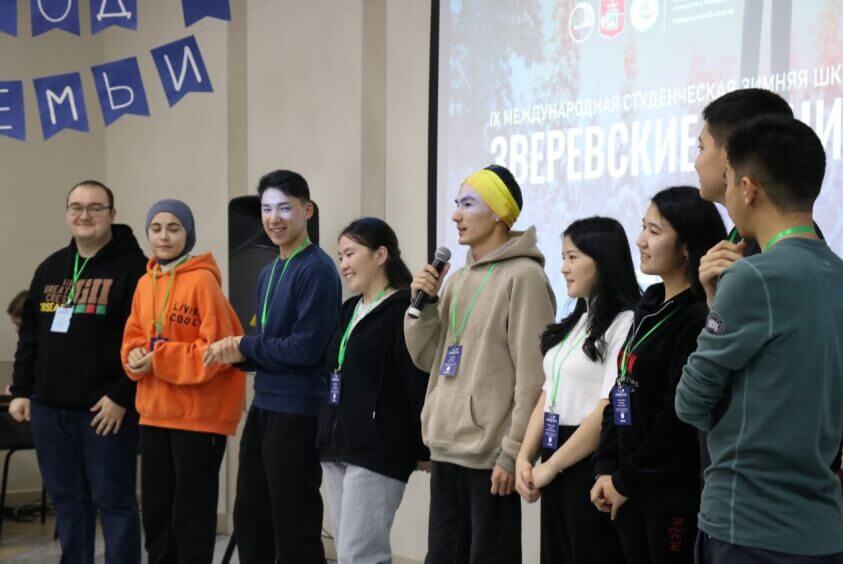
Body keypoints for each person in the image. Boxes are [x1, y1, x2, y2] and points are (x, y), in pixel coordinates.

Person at [676, 115, 843, 562]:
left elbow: (690, 402)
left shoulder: (753, 277)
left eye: (730, 179)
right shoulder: (836, 274)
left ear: (748, 189)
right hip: (823, 529)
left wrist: (719, 305)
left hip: (748, 526)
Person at [405, 164, 556, 563]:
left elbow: (533, 378)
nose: (456, 214)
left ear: (500, 213)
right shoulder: (455, 280)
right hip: (446, 449)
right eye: (457, 203)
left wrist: (514, 452)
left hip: (490, 457)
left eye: (468, 204)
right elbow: (429, 358)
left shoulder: (524, 277)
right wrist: (423, 306)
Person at [204, 170, 341, 564]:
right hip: (264, 405)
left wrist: (243, 345)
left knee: (293, 521)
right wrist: (236, 354)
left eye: (284, 208)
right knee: (251, 515)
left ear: (307, 210)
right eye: (267, 209)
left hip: (298, 411)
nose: (274, 218)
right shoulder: (268, 271)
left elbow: (305, 348)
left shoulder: (317, 269)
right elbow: (269, 343)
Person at [9, 180, 146, 563]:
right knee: (69, 503)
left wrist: (121, 396)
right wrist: (21, 390)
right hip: (49, 412)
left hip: (104, 413)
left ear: (112, 214)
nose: (84, 215)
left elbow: (147, 341)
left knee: (115, 503)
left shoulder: (135, 269)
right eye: (76, 207)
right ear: (67, 213)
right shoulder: (51, 268)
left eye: (95, 208)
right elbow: (31, 335)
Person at [590, 186, 726, 564]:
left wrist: (624, 479)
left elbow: (676, 418)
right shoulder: (649, 303)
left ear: (686, 247)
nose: (640, 240)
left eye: (654, 231)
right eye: (642, 227)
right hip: (627, 487)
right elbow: (622, 389)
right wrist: (606, 465)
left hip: (669, 493)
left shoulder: (698, 316)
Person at [121, 199, 246, 564]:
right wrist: (133, 357)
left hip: (198, 418)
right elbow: (132, 338)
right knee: (157, 516)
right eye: (156, 228)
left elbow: (215, 353)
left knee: (190, 518)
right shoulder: (144, 283)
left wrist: (159, 358)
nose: (164, 236)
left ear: (188, 234)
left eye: (173, 228)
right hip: (154, 414)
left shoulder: (203, 281)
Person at [515, 217, 639, 564]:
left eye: (573, 257)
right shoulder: (578, 320)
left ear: (602, 260)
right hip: (554, 450)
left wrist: (552, 466)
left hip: (589, 457)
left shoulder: (626, 321)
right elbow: (548, 392)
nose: (564, 268)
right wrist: (524, 457)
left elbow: (608, 406)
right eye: (563, 258)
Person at [317, 217, 430, 563]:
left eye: (351, 253)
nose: (343, 264)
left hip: (377, 449)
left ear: (381, 255)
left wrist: (422, 445)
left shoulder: (404, 310)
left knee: (361, 555)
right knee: (348, 554)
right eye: (340, 256)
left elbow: (415, 381)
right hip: (337, 446)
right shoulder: (349, 310)